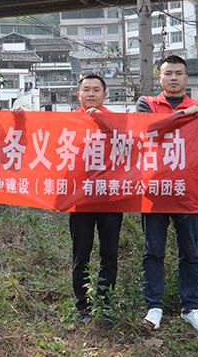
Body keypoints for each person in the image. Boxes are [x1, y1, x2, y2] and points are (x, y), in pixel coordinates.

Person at [136, 54, 198, 333]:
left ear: (186, 77)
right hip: (154, 190)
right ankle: (154, 307)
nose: (173, 78)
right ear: (160, 77)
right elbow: (149, 129)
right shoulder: (146, 104)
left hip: (188, 190)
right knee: (153, 252)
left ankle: (191, 308)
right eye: (168, 73)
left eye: (178, 73)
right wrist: (183, 115)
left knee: (190, 252)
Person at [70, 74, 122, 328]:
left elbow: (133, 145)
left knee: (109, 254)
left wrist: (102, 121)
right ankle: (83, 306)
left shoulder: (117, 121)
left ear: (105, 94)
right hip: (80, 198)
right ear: (78, 94)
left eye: (96, 90)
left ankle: (105, 304)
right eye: (86, 90)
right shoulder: (68, 122)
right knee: (81, 254)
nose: (91, 94)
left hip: (110, 198)